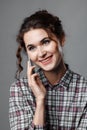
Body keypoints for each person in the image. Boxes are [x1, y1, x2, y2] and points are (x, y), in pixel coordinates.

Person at [9, 10, 87, 130]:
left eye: (46, 42)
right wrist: (40, 100)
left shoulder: (84, 90)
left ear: (61, 39)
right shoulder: (20, 90)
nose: (41, 54)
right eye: (32, 48)